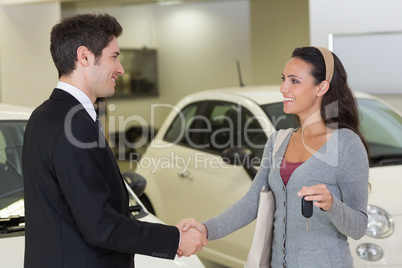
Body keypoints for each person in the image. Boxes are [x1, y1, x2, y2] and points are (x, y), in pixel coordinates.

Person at [22, 13, 206, 268]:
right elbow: (100, 225)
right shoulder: (74, 126)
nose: (121, 69)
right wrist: (174, 239)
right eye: (114, 56)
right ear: (84, 56)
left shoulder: (42, 116)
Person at [180, 46, 369, 267]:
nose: (283, 88)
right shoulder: (278, 141)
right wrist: (206, 229)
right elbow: (252, 202)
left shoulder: (346, 144)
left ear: (321, 87)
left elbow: (359, 227)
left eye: (294, 81)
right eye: (283, 79)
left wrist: (331, 204)